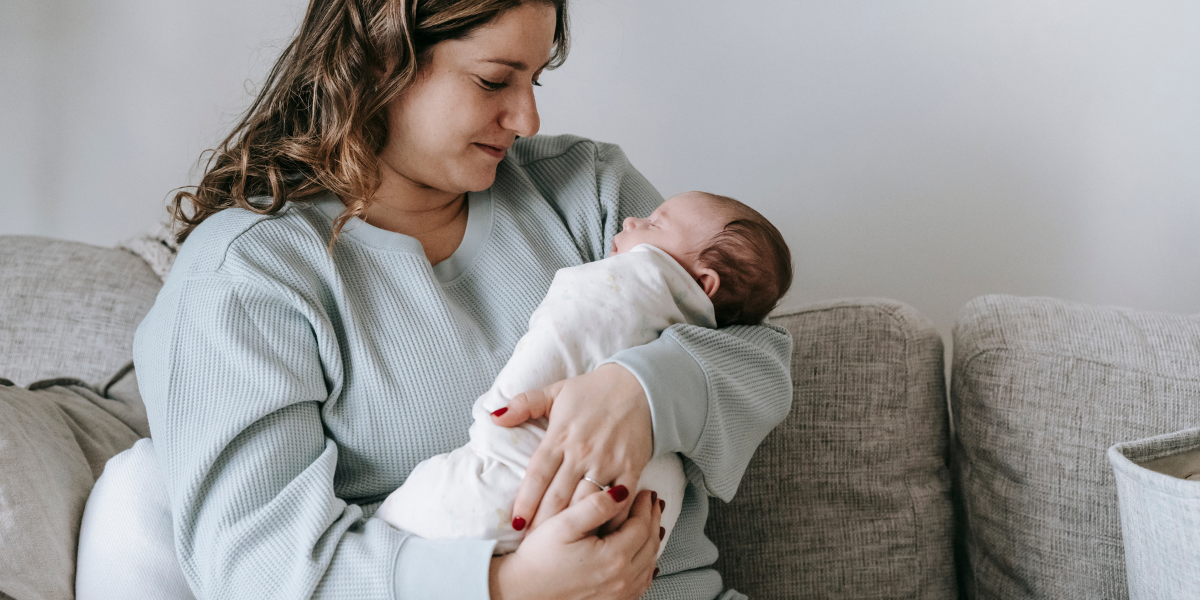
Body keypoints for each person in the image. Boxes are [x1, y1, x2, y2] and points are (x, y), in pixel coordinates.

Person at [89, 1, 793, 598]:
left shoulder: (587, 193)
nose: (526, 117)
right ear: (377, 61)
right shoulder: (250, 275)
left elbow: (759, 356)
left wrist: (641, 393)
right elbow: (260, 562)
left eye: (536, 78)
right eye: (495, 81)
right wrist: (502, 585)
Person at [373, 191, 793, 560]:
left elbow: (769, 360)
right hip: (584, 551)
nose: (632, 220)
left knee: (408, 510)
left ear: (704, 283)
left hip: (570, 519)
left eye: (653, 223)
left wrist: (640, 389)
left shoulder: (625, 257)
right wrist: (513, 586)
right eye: (493, 91)